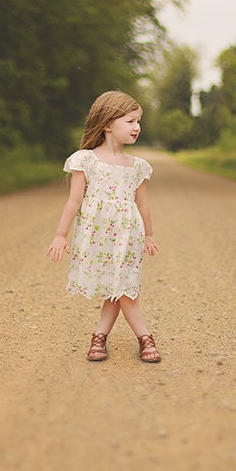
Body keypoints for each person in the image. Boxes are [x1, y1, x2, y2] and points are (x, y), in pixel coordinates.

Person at [46, 90, 162, 362]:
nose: (137, 127)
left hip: (128, 236)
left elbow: (143, 205)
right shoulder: (85, 160)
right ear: (108, 124)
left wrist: (149, 234)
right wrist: (61, 235)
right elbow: (74, 201)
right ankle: (100, 337)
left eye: (138, 121)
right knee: (116, 287)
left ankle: (144, 339)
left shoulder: (137, 166)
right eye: (130, 121)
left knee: (124, 287)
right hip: (98, 237)